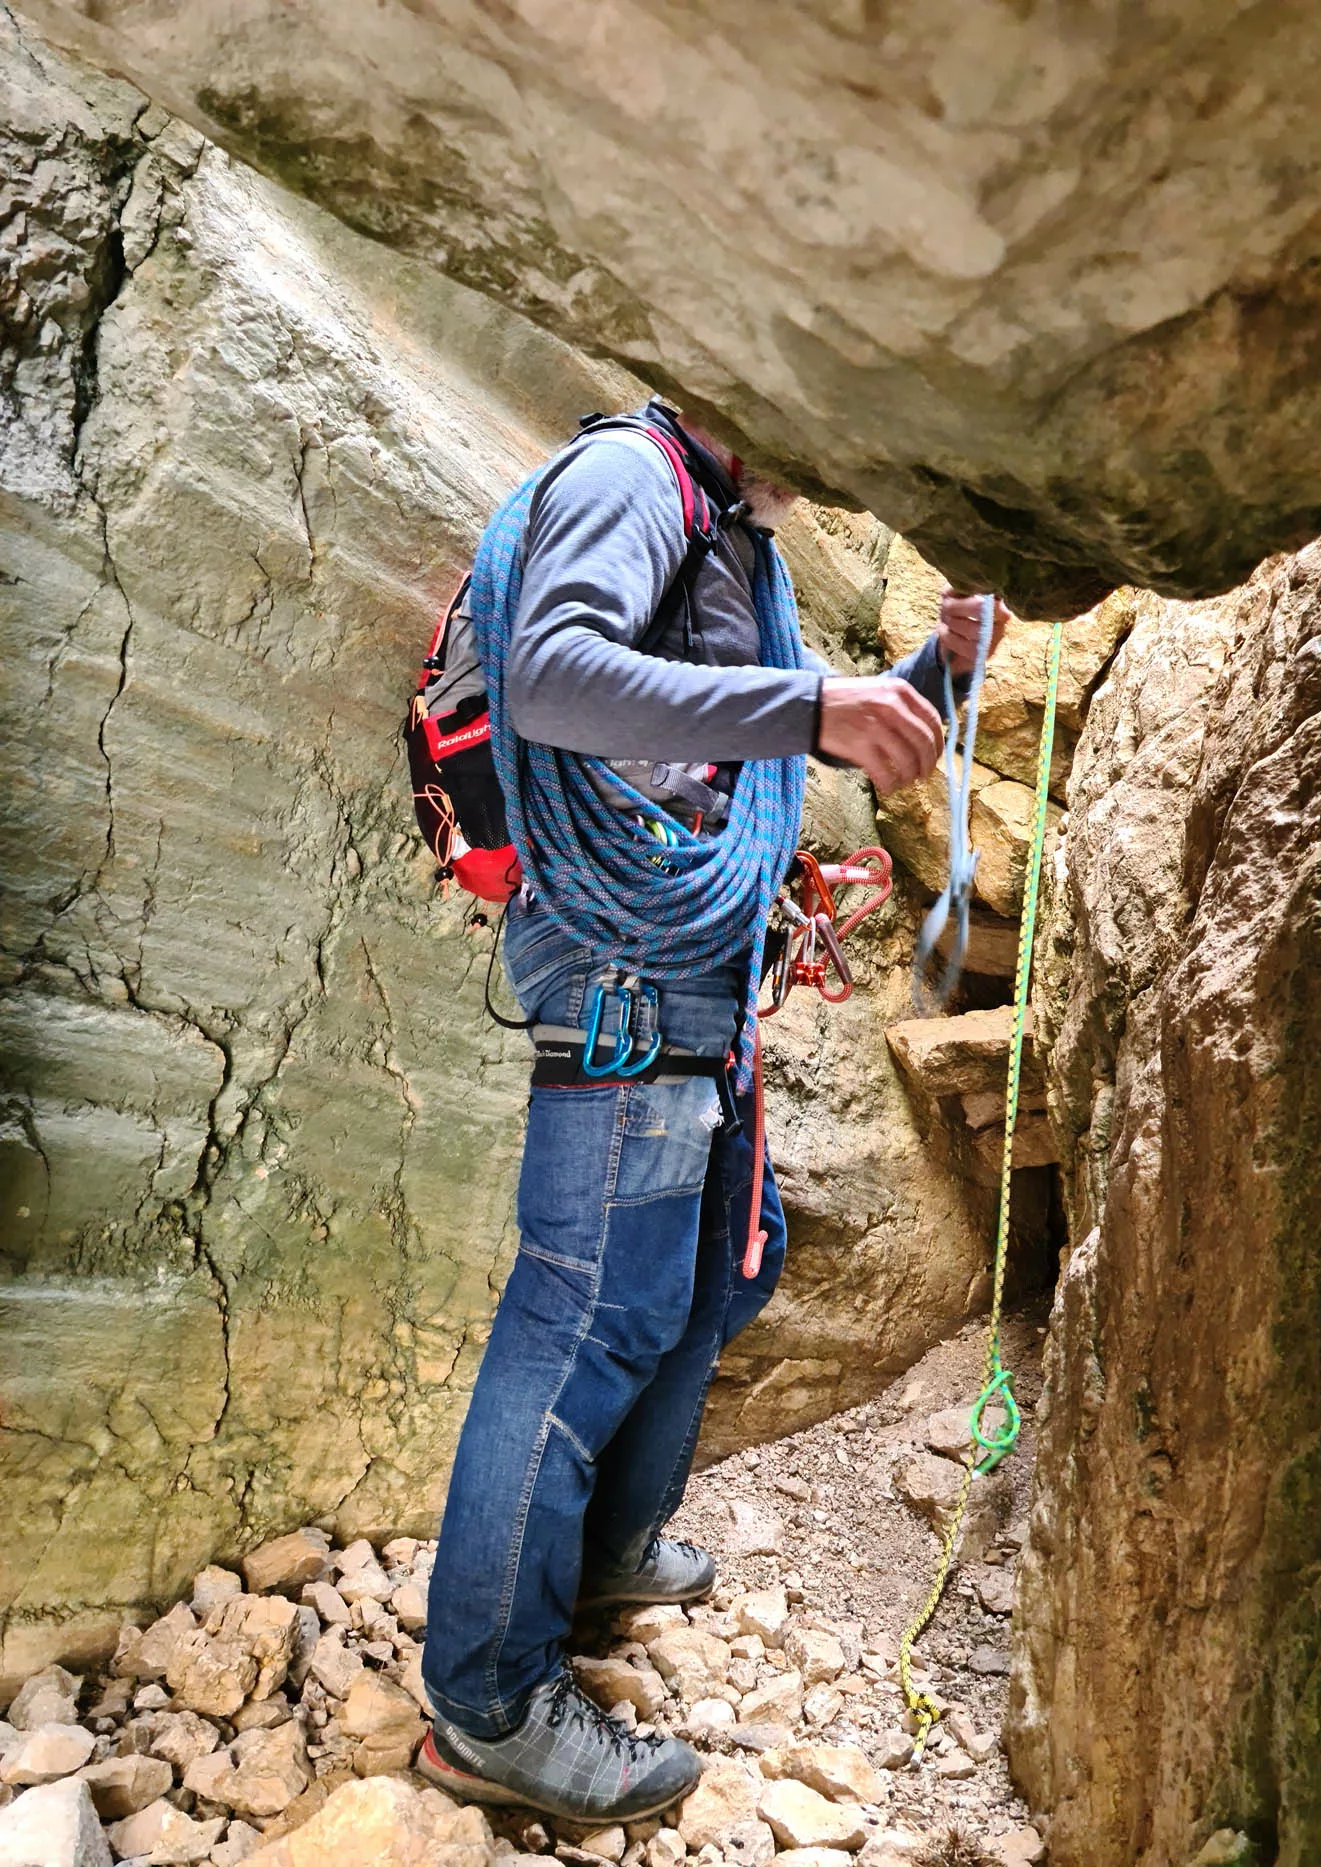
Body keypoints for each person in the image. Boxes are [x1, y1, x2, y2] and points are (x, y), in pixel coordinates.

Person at [419, 400, 1008, 1821]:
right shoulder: (635, 476)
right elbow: (557, 676)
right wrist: (818, 705)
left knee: (714, 1278)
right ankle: (487, 1699)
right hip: (618, 961)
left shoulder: (742, 543)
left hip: (692, 973)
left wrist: (933, 668)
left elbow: (787, 732)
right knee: (584, 1313)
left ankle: (611, 1545)